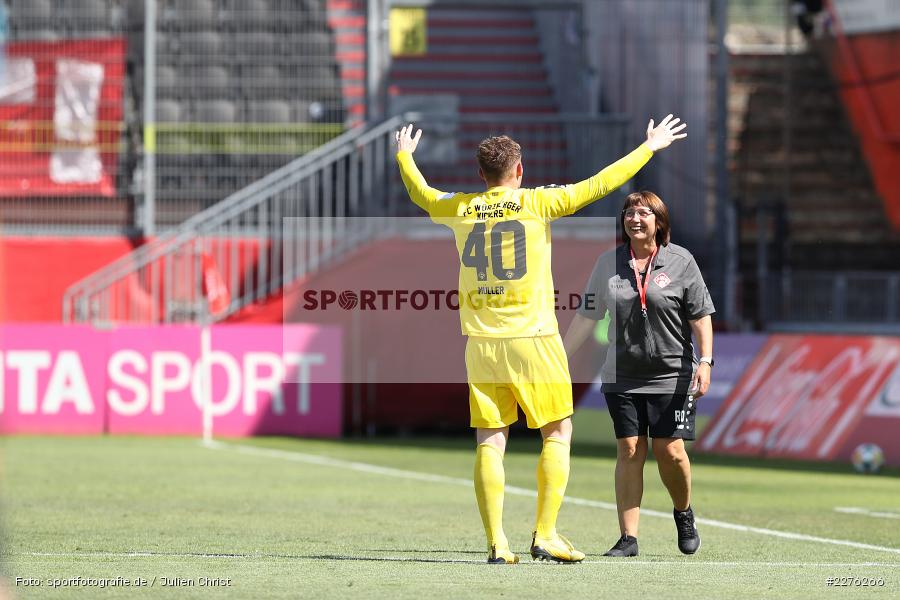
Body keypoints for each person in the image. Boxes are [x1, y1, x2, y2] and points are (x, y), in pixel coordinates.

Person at [395, 115, 687, 563]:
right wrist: (648, 147)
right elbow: (598, 184)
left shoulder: (461, 207)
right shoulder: (537, 203)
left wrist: (404, 156)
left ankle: (497, 543)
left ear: (481, 176)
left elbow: (421, 194)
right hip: (533, 337)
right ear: (519, 171)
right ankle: (545, 533)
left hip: (480, 341)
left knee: (490, 438)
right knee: (557, 430)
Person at [564, 190, 714, 557]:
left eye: (643, 213)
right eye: (629, 212)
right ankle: (628, 538)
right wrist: (560, 357)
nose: (634, 218)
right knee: (630, 450)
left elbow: (700, 316)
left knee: (671, 451)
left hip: (672, 373)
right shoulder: (608, 263)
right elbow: (587, 316)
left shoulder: (681, 262)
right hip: (622, 375)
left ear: (658, 222)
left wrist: (706, 361)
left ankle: (683, 512)